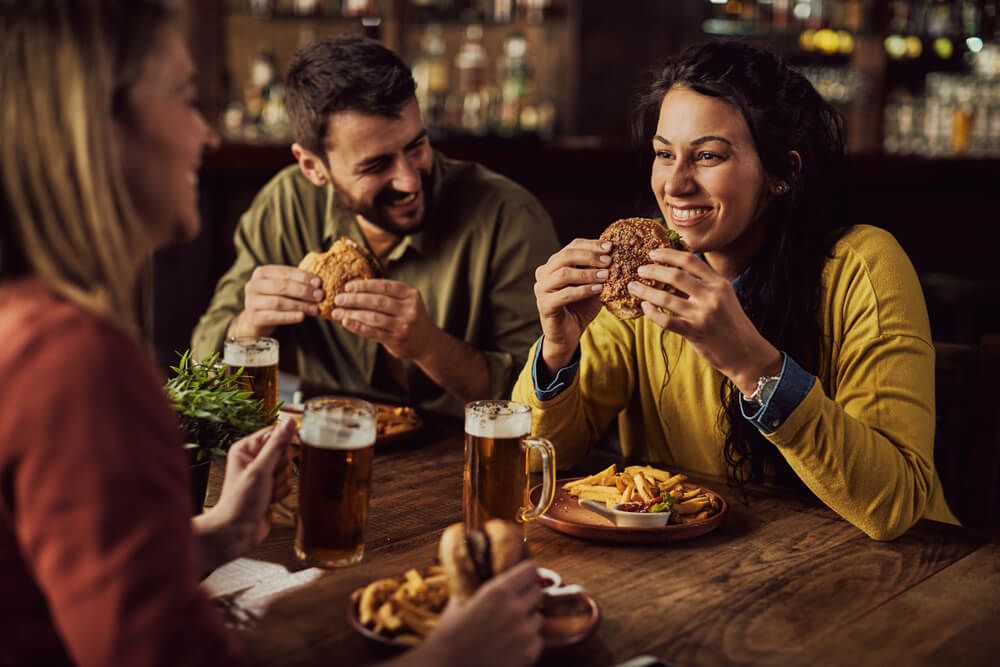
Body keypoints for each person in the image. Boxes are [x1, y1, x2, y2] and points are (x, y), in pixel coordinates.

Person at [0, 3, 543, 666]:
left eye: (418, 145)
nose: (206, 135)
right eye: (184, 99)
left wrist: (219, 533)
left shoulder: (34, 329)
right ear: (99, 133)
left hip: (436, 499)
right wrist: (449, 657)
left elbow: (89, 576)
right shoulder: (76, 361)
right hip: (321, 503)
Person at [513, 41, 957, 541]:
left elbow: (893, 506)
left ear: (781, 173)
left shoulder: (864, 267)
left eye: (707, 156)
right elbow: (534, 465)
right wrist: (556, 352)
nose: (675, 185)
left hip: (897, 579)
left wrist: (752, 365)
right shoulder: (642, 280)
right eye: (664, 154)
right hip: (706, 570)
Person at [191, 35, 559, 417]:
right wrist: (251, 325)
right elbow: (201, 369)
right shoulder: (286, 206)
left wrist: (427, 346)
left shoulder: (508, 216)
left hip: (459, 456)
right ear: (313, 167)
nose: (410, 181)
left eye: (417, 146)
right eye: (376, 165)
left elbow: (541, 404)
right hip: (322, 447)